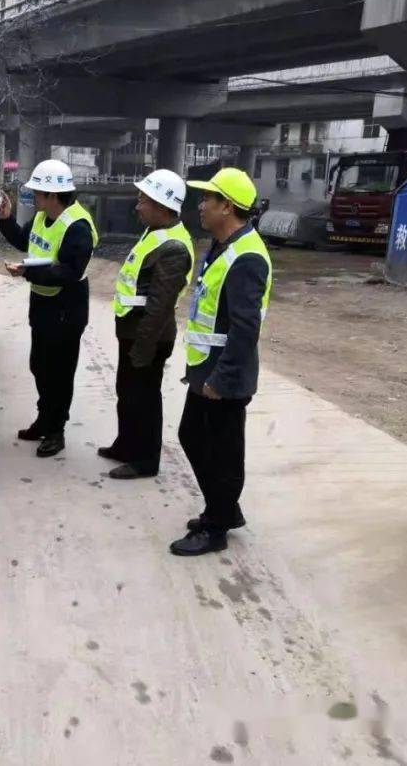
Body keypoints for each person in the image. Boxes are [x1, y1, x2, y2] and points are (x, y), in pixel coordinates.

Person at [170, 168, 272, 557]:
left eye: (207, 200)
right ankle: (223, 508)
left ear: (226, 206)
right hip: (208, 369)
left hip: (223, 375)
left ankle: (216, 527)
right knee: (194, 437)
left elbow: (246, 328)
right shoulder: (224, 246)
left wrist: (222, 379)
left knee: (222, 450)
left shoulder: (246, 257)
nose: (200, 206)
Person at [0, 159, 99, 458]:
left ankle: (56, 431)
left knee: (59, 372)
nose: (33, 197)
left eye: (38, 192)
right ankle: (44, 420)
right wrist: (6, 220)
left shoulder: (77, 226)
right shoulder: (43, 218)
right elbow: (24, 239)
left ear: (53, 195)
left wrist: (27, 272)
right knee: (39, 365)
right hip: (42, 303)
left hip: (66, 309)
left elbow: (70, 271)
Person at [98, 169, 194, 480]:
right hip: (133, 332)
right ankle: (126, 445)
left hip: (149, 336)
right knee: (127, 392)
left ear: (163, 206)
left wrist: (143, 347)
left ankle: (145, 460)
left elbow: (160, 306)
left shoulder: (175, 248)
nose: (137, 206)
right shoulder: (155, 231)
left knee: (144, 398)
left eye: (144, 200)